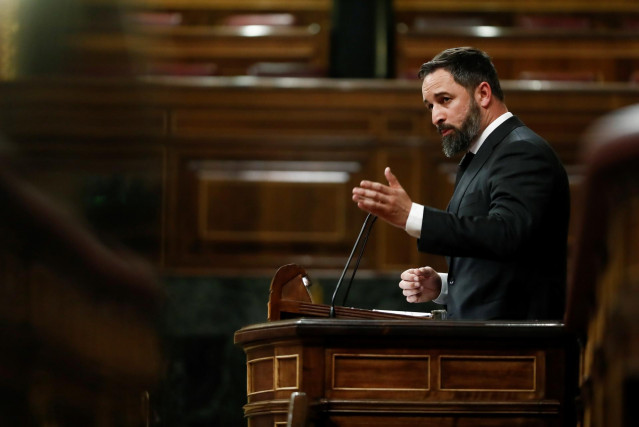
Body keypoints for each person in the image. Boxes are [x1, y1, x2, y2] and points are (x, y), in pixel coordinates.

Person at [352, 47, 570, 320]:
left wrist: (413, 216)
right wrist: (443, 286)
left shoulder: (522, 151)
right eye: (431, 105)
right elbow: (498, 261)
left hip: (515, 345)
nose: (436, 117)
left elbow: (507, 234)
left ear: (483, 94)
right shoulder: (481, 156)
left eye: (445, 100)